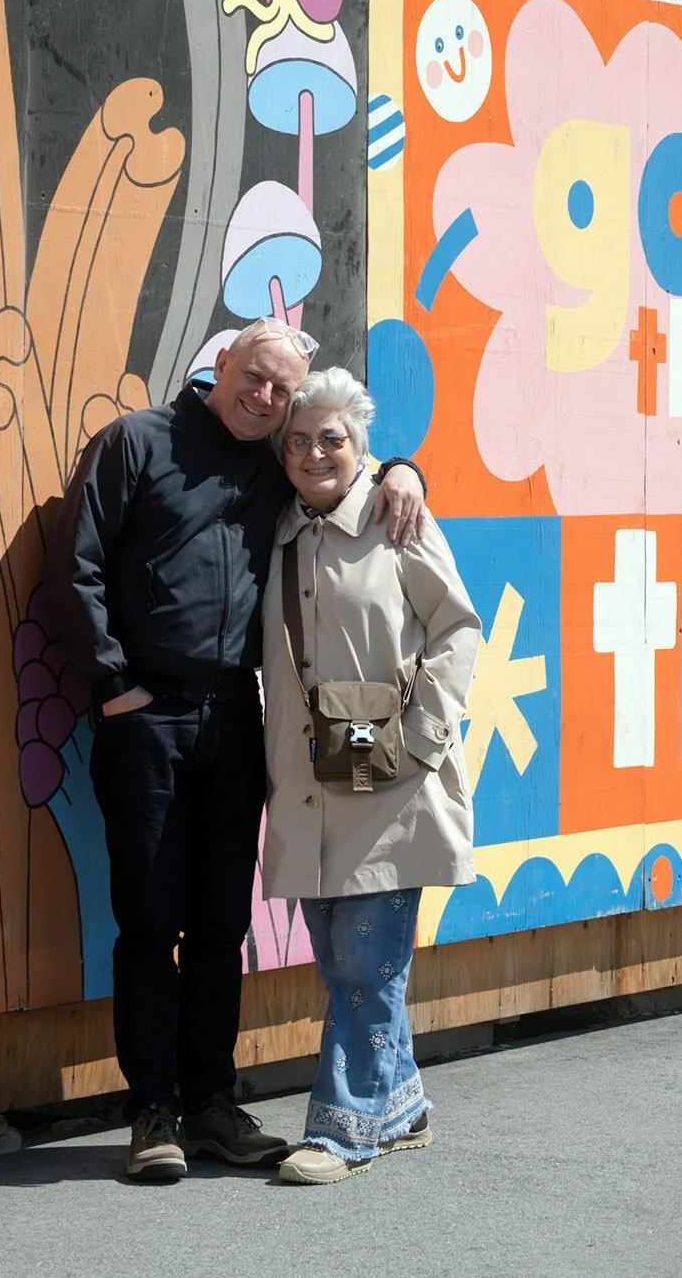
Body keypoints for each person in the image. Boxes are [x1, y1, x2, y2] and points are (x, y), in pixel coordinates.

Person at [51, 321, 428, 1183]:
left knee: (221, 926)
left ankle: (213, 1102)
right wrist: (113, 685)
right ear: (220, 366)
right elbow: (77, 565)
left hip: (234, 716)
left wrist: (405, 470)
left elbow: (347, 468)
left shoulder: (277, 463)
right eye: (253, 379)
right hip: (145, 716)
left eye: (280, 391)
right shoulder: (135, 443)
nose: (265, 399)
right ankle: (153, 1112)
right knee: (149, 924)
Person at [260, 367, 480, 1185]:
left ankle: (344, 1127)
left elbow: (459, 624)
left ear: (362, 447)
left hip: (392, 787)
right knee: (344, 956)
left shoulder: (398, 518)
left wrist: (422, 737)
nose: (315, 451)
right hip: (313, 789)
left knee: (364, 960)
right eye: (299, 439)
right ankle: (405, 1104)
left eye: (333, 438)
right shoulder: (276, 528)